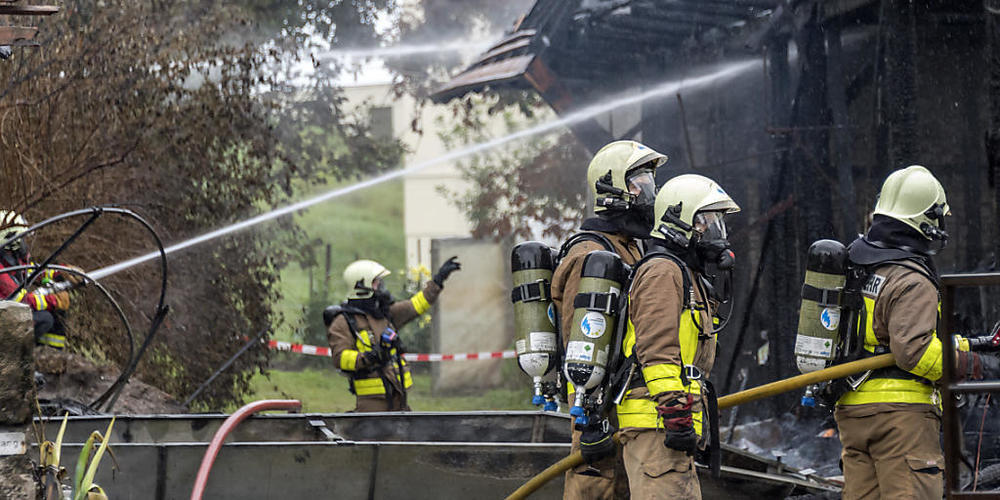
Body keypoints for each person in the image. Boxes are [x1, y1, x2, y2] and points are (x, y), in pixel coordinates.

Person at [835, 165, 1000, 499]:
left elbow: (878, 339)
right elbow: (915, 351)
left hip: (853, 412)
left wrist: (977, 344)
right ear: (925, 220)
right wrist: (977, 368)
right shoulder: (911, 278)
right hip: (900, 420)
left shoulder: (860, 265)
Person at [551, 139, 666, 499]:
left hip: (624, 396)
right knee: (596, 486)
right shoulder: (590, 254)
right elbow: (580, 336)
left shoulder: (628, 245)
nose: (650, 190)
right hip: (597, 403)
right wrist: (590, 413)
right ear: (613, 188)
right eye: (640, 180)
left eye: (650, 179)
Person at [616, 174, 739, 499]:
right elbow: (656, 352)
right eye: (709, 221)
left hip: (668, 422)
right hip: (656, 421)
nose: (716, 232)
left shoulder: (685, 273)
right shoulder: (662, 272)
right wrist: (674, 410)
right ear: (683, 222)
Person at [327, 256, 460, 412]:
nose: (381, 286)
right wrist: (370, 357)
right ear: (361, 286)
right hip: (372, 404)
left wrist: (438, 281)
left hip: (399, 398)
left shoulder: (383, 314)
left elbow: (416, 305)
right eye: (376, 282)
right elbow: (340, 358)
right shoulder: (343, 322)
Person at [0, 210, 75, 349]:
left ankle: (49, 359)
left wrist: (64, 272)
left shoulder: (12, 260)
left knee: (55, 315)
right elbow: (20, 300)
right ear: (11, 239)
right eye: (22, 238)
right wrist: (54, 301)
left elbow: (34, 272)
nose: (24, 243)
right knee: (43, 318)